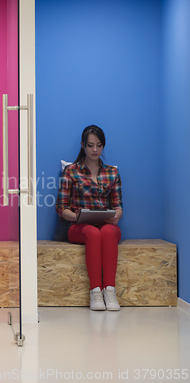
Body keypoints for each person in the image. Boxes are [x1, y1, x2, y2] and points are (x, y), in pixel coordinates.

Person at [55, 125, 123, 311]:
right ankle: (95, 293)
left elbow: (118, 206)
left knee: (108, 231)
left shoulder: (112, 172)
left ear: (103, 146)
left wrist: (115, 217)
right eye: (90, 145)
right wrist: (76, 217)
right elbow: (61, 208)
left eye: (99, 145)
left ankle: (110, 291)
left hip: (107, 224)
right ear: (83, 145)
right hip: (79, 226)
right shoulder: (71, 171)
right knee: (93, 233)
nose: (95, 150)